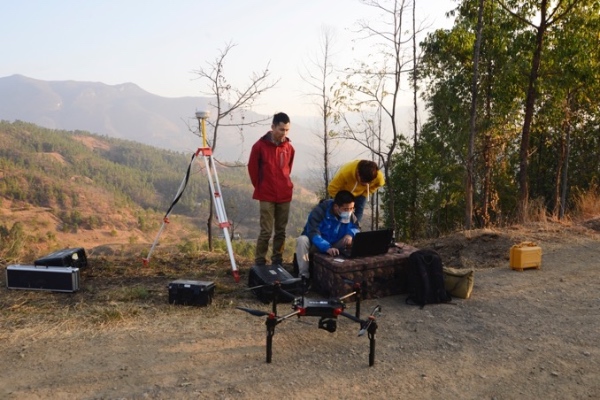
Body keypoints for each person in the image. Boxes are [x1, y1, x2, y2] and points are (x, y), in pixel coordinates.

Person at [248, 112, 295, 266]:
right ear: (273, 127)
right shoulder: (259, 146)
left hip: (284, 194)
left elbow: (288, 169)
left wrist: (285, 185)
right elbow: (253, 170)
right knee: (266, 231)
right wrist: (261, 187)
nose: (284, 133)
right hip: (266, 194)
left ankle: (277, 260)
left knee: (281, 231)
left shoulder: (289, 147)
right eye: (282, 129)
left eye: (287, 130)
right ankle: (260, 261)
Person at [295, 190, 360, 279]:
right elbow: (313, 232)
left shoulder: (350, 215)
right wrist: (327, 247)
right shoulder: (319, 212)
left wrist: (350, 234)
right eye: (346, 209)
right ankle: (303, 277)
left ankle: (350, 274)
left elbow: (356, 227)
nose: (349, 212)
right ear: (336, 206)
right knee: (302, 240)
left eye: (352, 208)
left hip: (336, 244)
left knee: (354, 240)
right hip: (316, 245)